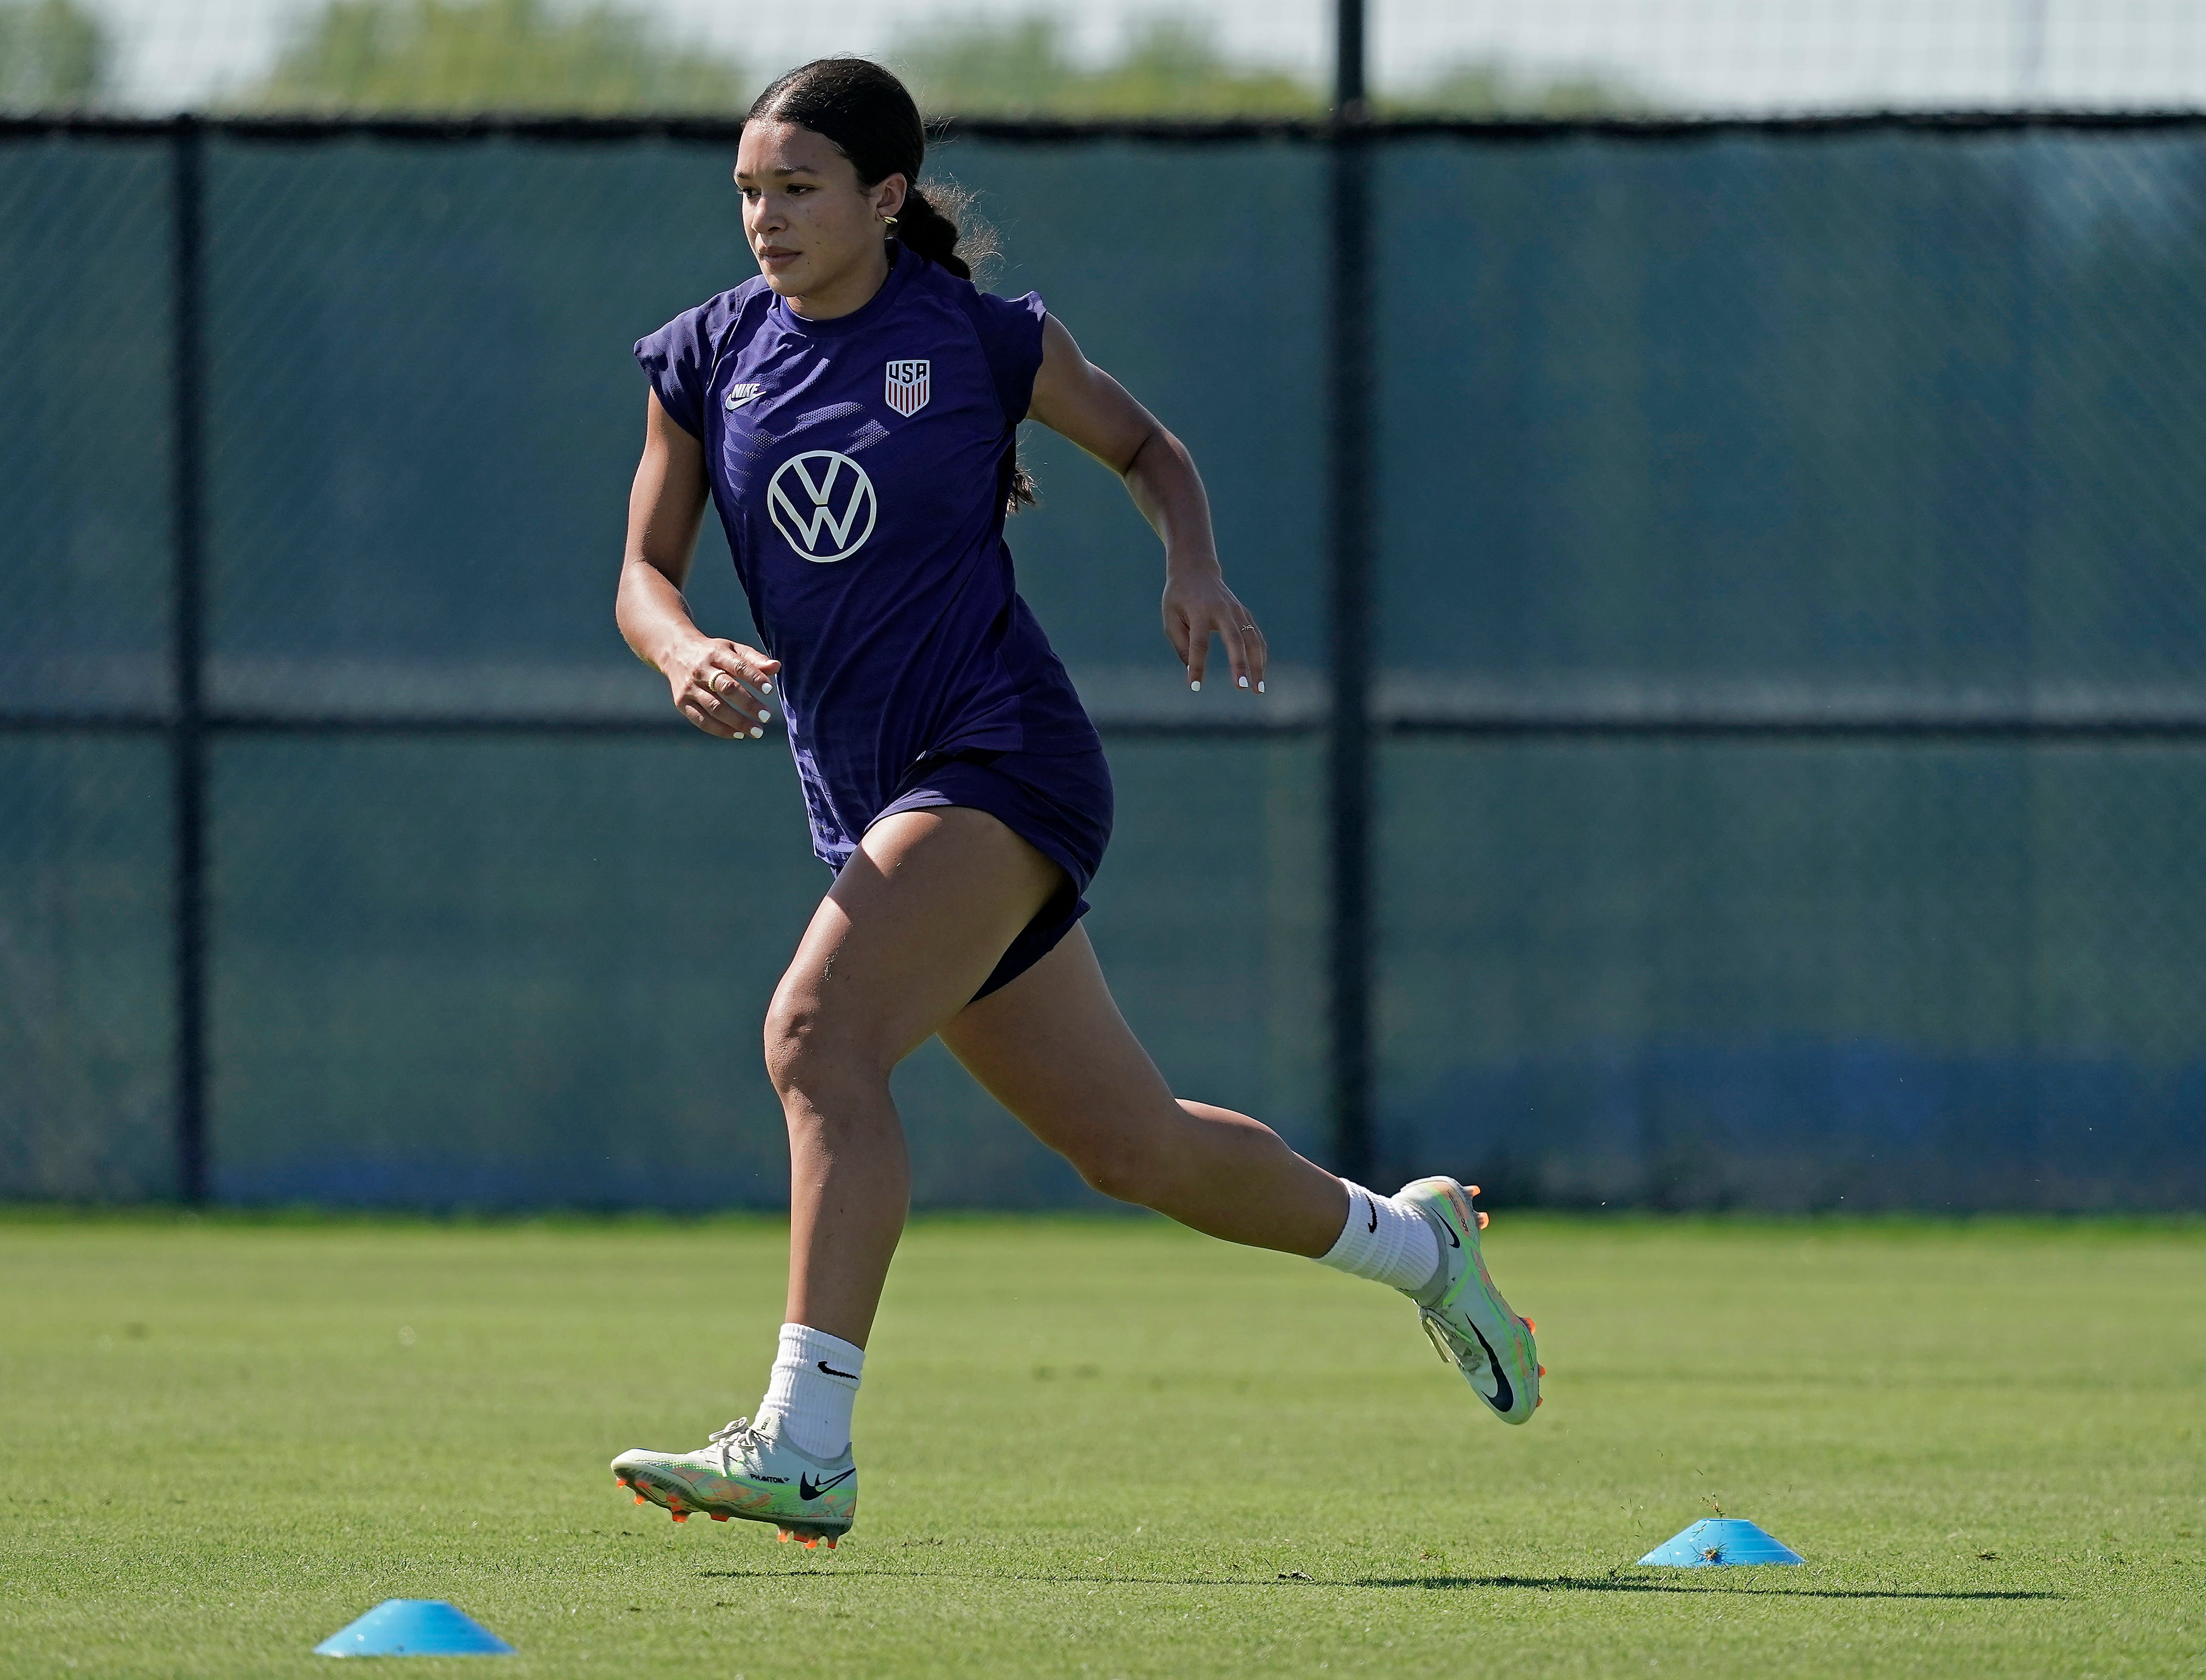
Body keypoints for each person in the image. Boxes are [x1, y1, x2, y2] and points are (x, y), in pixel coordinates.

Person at [608, 56, 1540, 1550]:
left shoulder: (978, 338)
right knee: (1132, 1147)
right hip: (867, 796)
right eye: (748, 191)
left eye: (798, 188)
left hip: (1000, 757)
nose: (765, 217)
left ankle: (806, 1443)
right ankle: (1420, 1249)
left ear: (885, 198)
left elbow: (1147, 448)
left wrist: (1193, 564)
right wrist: (679, 651)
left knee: (815, 1037)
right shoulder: (708, 355)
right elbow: (643, 574)